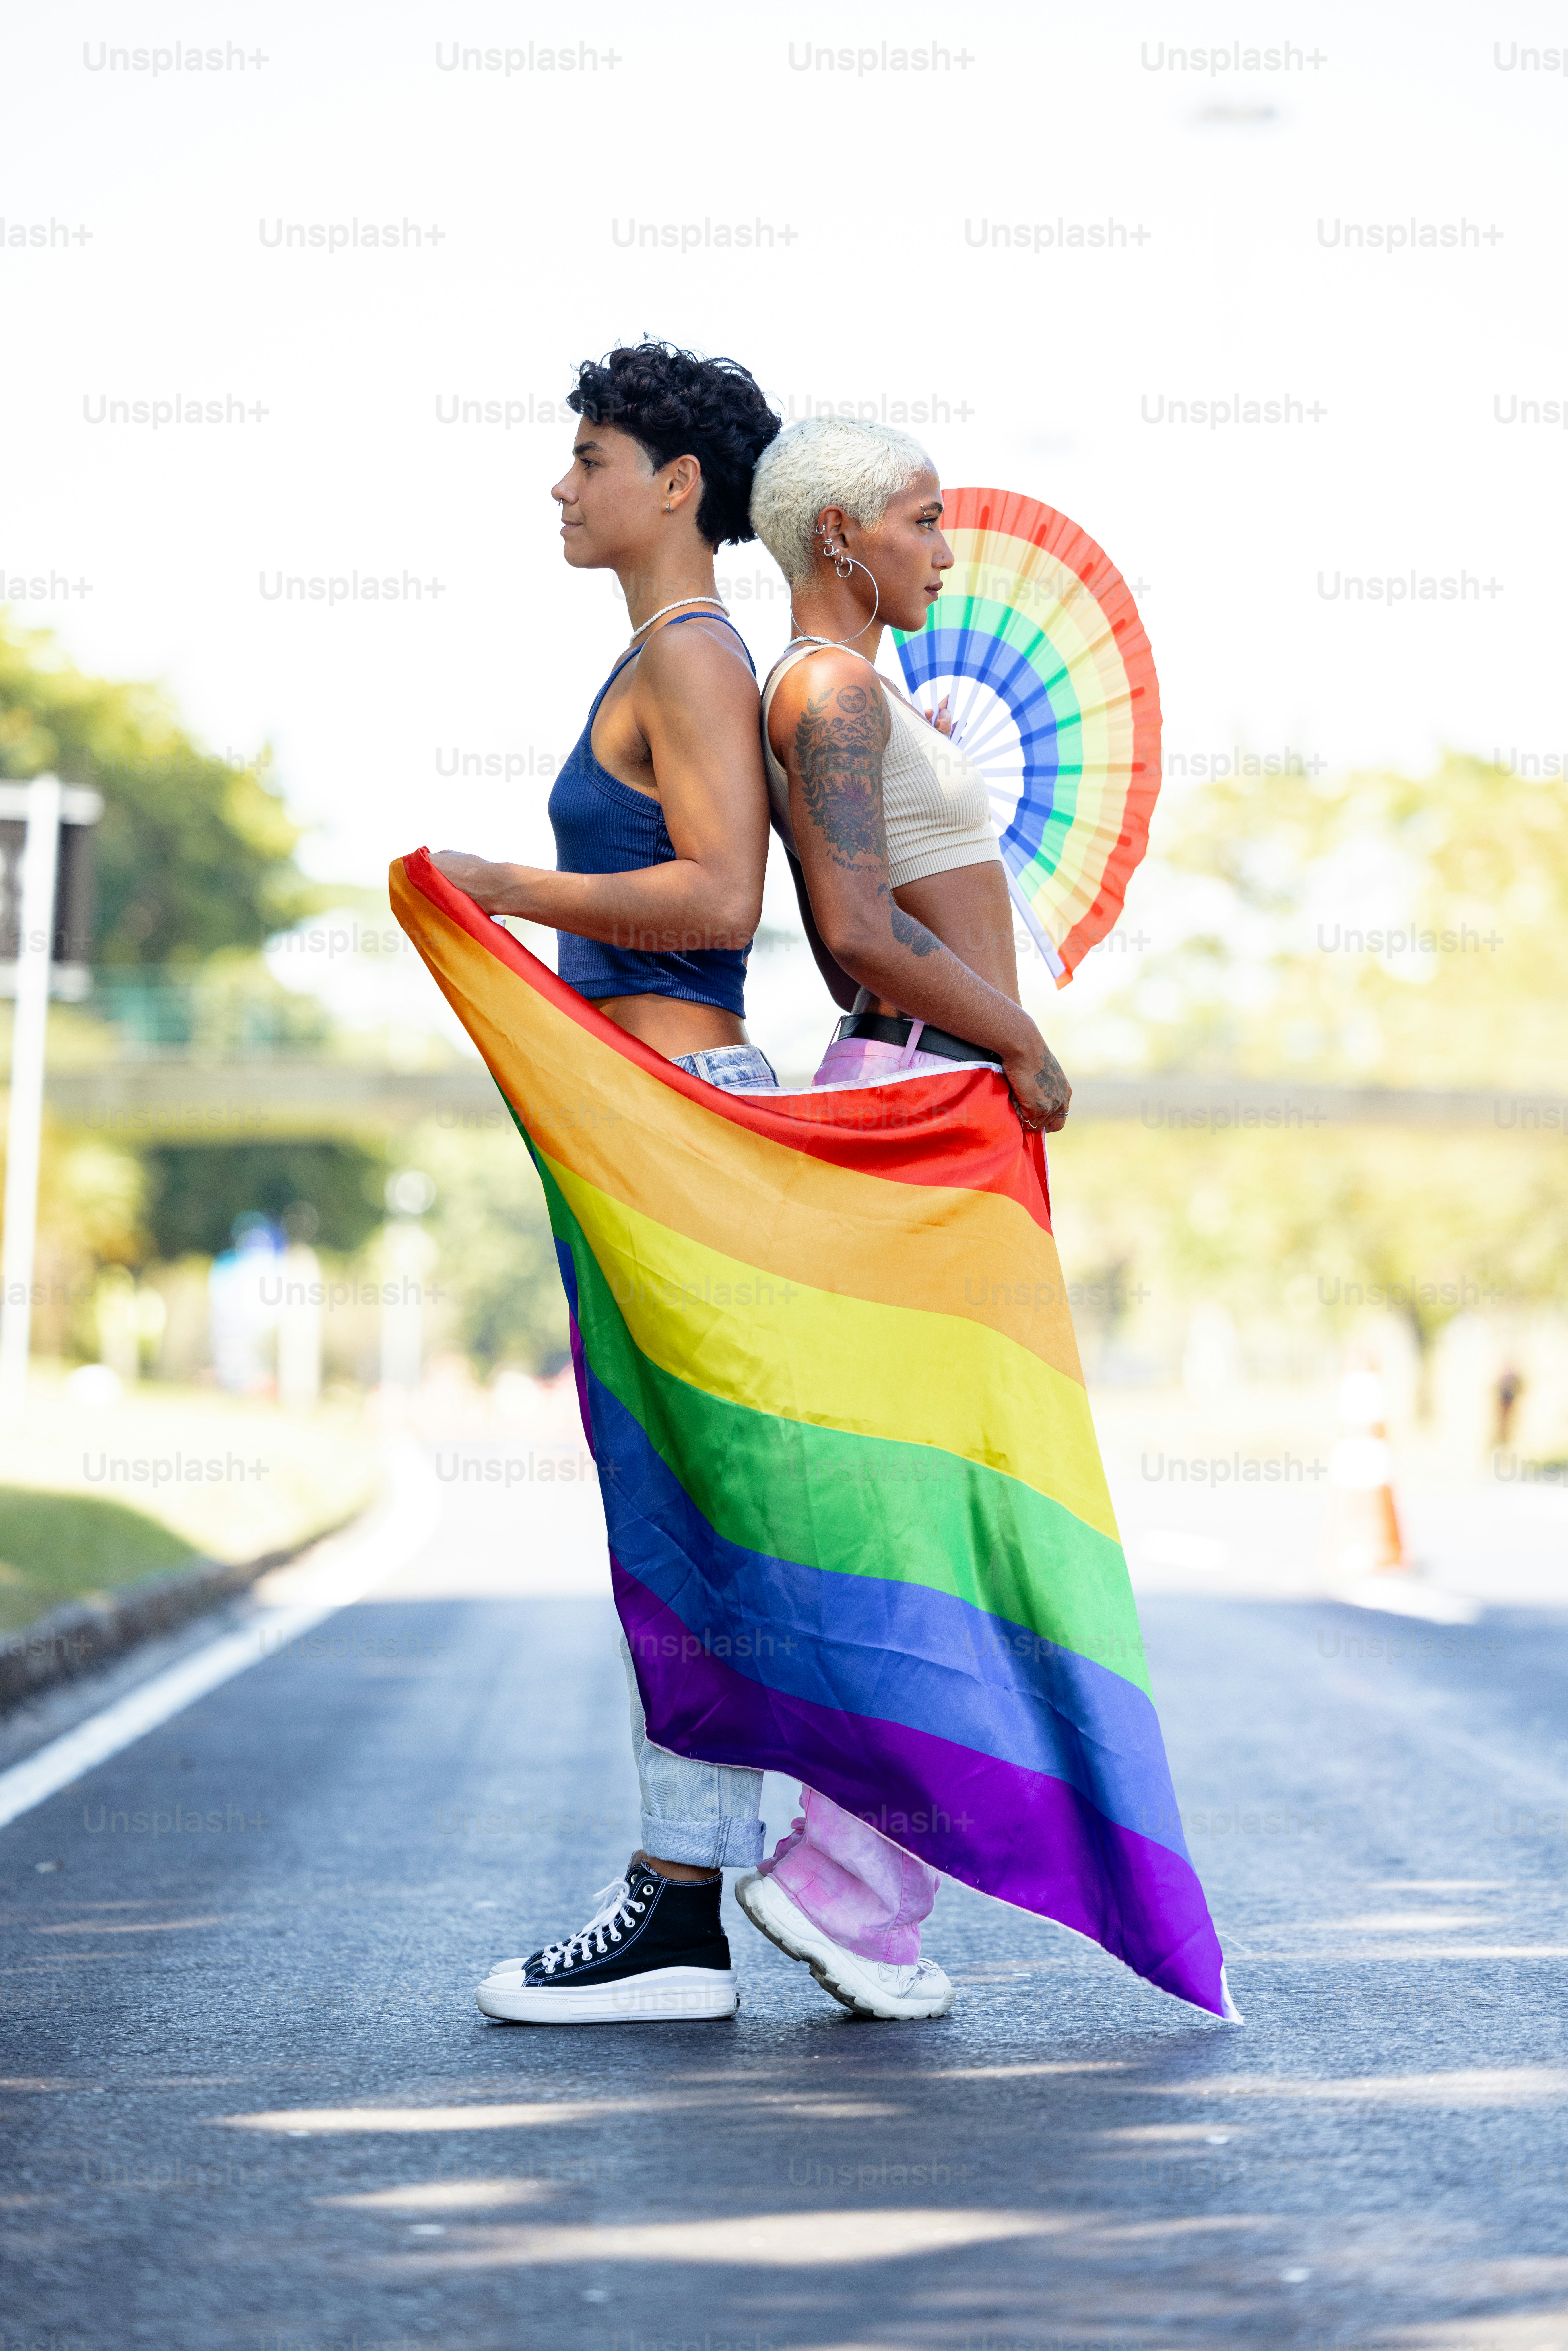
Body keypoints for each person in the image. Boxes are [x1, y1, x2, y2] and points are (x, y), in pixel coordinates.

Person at [427, 343, 788, 2025]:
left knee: (683, 1527)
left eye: (589, 456)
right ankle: (710, 1886)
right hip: (647, 1129)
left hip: (686, 1119)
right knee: (684, 1523)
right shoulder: (660, 655)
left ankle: (682, 1911)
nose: (559, 486)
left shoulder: (694, 654)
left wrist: (507, 880)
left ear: (676, 487)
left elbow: (720, 901)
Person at [723, 416, 1075, 2006]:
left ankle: (855, 1882)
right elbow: (860, 929)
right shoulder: (830, 689)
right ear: (842, 536)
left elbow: (894, 874)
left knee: (937, 1513)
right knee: (919, 1522)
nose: (948, 550)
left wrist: (917, 744)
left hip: (938, 1099)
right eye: (926, 523)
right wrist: (1017, 1037)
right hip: (918, 1093)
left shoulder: (856, 696)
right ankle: (836, 1886)